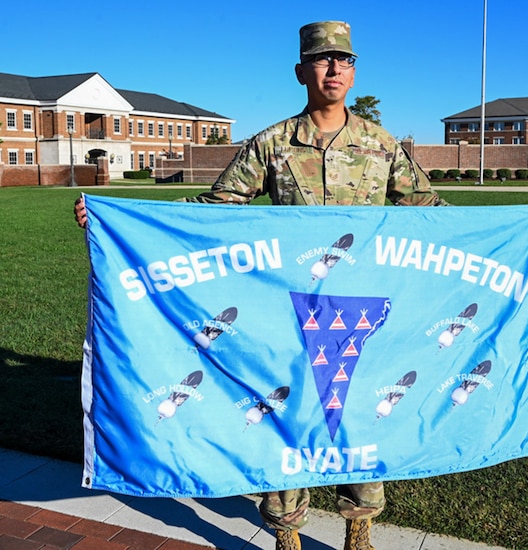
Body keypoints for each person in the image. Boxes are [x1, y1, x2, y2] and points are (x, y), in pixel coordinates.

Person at [75, 20, 448, 550]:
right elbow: (215, 210)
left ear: (354, 69)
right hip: (290, 309)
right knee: (291, 413)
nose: (335, 68)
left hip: (358, 311)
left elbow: (430, 211)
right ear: (302, 71)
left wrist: (501, 234)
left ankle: (359, 525)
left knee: (358, 414)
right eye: (323, 60)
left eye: (344, 59)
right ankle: (286, 532)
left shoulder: (379, 144)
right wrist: (116, 218)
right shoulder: (272, 143)